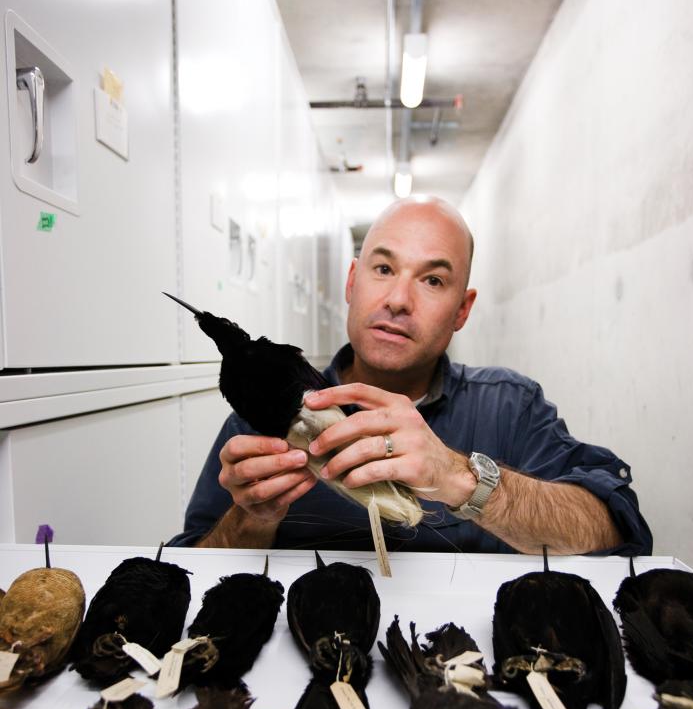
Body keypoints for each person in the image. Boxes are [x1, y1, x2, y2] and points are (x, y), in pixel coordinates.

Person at [169, 197, 652, 555]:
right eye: (383, 268)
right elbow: (191, 568)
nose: (398, 299)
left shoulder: (510, 407)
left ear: (462, 310)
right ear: (352, 282)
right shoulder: (261, 416)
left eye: (433, 280)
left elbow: (615, 528)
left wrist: (461, 478)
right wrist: (252, 520)